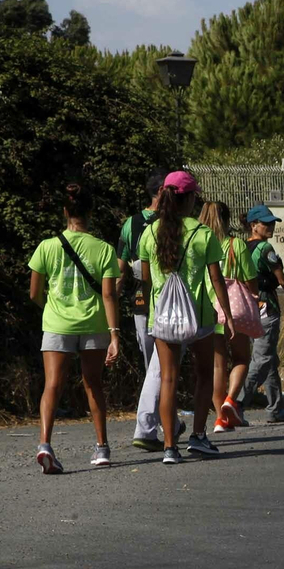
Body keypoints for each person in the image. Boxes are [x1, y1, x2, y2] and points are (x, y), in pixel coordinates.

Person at [139, 171, 234, 464]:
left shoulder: (149, 233)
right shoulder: (202, 233)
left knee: (168, 379)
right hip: (200, 317)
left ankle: (169, 447)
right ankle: (198, 435)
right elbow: (216, 279)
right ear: (190, 198)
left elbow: (145, 280)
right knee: (204, 374)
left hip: (162, 317)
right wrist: (227, 314)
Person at [29, 184, 121, 472]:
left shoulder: (47, 246)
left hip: (57, 324)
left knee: (52, 385)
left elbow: (34, 293)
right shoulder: (104, 249)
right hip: (94, 323)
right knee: (93, 383)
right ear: (90, 212)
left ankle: (45, 444)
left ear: (65, 211)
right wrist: (114, 334)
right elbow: (109, 295)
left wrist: (51, 309)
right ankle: (102, 447)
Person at [122, 169, 184, 451]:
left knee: (156, 367)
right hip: (166, 303)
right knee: (160, 369)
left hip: (141, 300)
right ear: (162, 191)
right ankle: (151, 425)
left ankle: (166, 422)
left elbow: (122, 265)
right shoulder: (172, 224)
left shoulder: (132, 224)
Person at [198, 200, 258, 433]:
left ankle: (220, 419)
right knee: (242, 358)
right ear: (226, 219)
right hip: (233, 309)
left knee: (217, 365)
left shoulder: (199, 243)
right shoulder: (236, 245)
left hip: (207, 309)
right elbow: (250, 279)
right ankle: (230, 401)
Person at [242, 205, 284, 423]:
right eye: (265, 223)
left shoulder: (243, 247)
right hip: (266, 306)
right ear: (253, 225)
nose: (271, 227)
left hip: (248, 308)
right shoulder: (265, 249)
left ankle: (276, 408)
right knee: (262, 359)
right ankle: (237, 403)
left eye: (272, 223)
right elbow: (281, 280)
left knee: (268, 359)